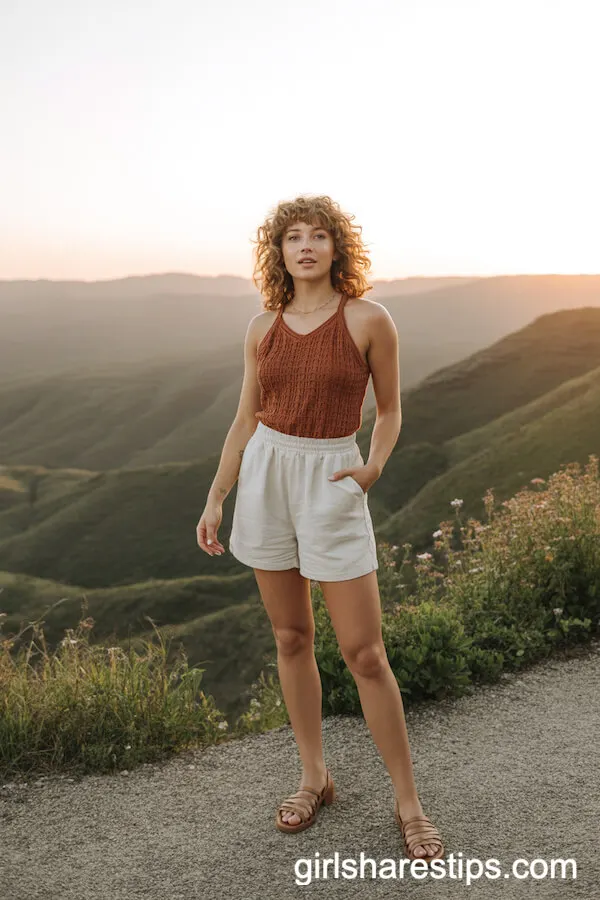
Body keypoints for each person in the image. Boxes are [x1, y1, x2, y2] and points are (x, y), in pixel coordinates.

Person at [196, 195, 444, 862]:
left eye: (319, 236)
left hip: (333, 476)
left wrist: (372, 468)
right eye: (292, 237)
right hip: (268, 477)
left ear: (338, 248)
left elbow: (390, 410)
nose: (305, 246)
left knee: (365, 653)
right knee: (290, 635)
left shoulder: (368, 318)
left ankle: (409, 803)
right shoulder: (262, 326)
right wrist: (217, 496)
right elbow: (245, 419)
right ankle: (315, 778)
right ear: (277, 252)